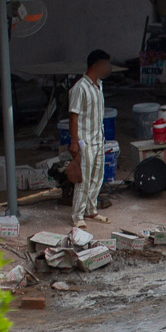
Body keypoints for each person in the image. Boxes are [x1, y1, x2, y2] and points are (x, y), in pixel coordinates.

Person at [67, 49, 110, 228]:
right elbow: (73, 116)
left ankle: (91, 210)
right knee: (83, 180)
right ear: (95, 66)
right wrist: (74, 142)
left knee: (97, 176)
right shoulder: (80, 88)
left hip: (98, 138)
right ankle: (77, 216)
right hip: (85, 141)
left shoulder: (99, 86)